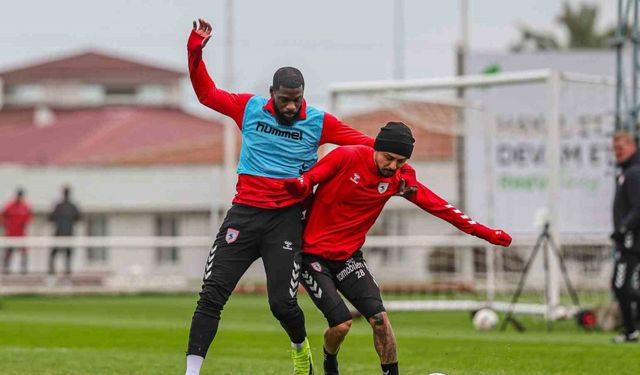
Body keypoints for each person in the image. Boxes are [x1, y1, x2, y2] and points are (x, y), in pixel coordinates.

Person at [185, 18, 375, 375]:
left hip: (286, 221)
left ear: (304, 95)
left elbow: (366, 147)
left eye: (297, 100)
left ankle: (300, 348)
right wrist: (195, 49)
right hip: (243, 216)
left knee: (282, 304)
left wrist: (394, 167)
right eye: (285, 100)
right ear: (272, 93)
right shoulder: (249, 108)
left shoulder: (319, 122)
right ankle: (191, 371)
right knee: (212, 295)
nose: (291, 107)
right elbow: (206, 94)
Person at [283, 122, 512, 374]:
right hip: (312, 256)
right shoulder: (346, 156)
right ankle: (330, 363)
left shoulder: (399, 180)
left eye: (400, 161)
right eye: (388, 158)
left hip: (349, 258)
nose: (392, 166)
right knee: (341, 324)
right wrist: (299, 186)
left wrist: (487, 233)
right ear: (376, 149)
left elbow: (443, 209)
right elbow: (310, 179)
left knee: (380, 320)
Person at [610, 131, 640, 344]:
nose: (617, 153)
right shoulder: (627, 171)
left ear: (632, 146)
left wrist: (623, 229)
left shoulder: (633, 173)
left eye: (621, 148)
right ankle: (631, 330)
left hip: (631, 240)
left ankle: (631, 330)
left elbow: (638, 207)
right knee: (624, 286)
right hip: (628, 239)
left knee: (621, 286)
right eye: (615, 149)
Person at [48, 186, 81, 275]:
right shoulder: (73, 206)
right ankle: (66, 272)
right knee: (67, 255)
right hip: (68, 233)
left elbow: (51, 218)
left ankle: (52, 272)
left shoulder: (58, 206)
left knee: (54, 254)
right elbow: (78, 218)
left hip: (59, 233)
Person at [1, 188, 32, 274]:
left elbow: (29, 219)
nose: (19, 198)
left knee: (24, 253)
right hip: (10, 234)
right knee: (8, 253)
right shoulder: (9, 205)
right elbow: (2, 217)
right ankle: (6, 270)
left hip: (21, 234)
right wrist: (5, 224)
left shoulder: (25, 207)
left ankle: (23, 270)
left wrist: (24, 224)